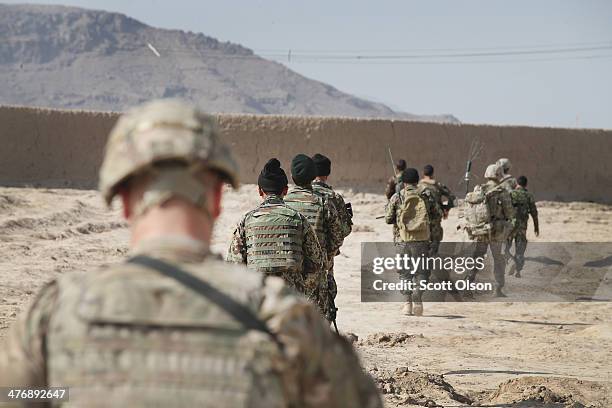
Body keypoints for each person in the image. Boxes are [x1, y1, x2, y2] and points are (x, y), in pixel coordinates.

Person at [0, 99, 382, 408]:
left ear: (122, 199)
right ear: (216, 198)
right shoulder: (284, 319)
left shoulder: (52, 316)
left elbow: (17, 395)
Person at [227, 158, 324, 296]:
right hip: (291, 298)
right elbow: (316, 263)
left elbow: (234, 265)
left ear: (260, 191)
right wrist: (302, 289)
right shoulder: (299, 219)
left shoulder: (247, 221)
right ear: (285, 190)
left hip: (257, 297)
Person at [284, 154, 344, 320]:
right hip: (318, 268)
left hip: (290, 266)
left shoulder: (284, 202)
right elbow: (338, 236)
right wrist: (326, 254)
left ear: (292, 176)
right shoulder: (323, 202)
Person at [311, 153, 353, 320]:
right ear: (327, 174)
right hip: (325, 258)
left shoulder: (299, 195)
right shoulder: (334, 198)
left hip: (299, 256)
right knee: (325, 295)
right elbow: (343, 230)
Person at [463, 164, 516, 297]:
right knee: (498, 259)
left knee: (477, 258)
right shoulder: (502, 192)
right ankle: (498, 289)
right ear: (499, 175)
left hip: (481, 231)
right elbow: (510, 213)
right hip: (496, 232)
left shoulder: (479, 190)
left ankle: (467, 286)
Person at [385, 168, 431, 316]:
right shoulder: (425, 195)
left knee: (405, 273)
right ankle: (418, 296)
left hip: (402, 240)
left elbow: (388, 218)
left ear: (404, 182)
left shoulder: (397, 196)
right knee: (422, 271)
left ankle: (407, 303)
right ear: (417, 181)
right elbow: (435, 214)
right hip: (422, 239)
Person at [417, 164, 456, 256]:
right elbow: (453, 198)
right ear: (432, 173)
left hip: (421, 220)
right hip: (435, 219)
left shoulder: (418, 187)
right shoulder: (438, 185)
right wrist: (446, 209)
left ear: (423, 173)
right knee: (435, 242)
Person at [507, 175, 539, 277]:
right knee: (520, 250)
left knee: (505, 248)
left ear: (517, 183)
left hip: (510, 226)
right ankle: (518, 271)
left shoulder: (510, 194)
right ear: (526, 184)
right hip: (522, 226)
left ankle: (509, 263)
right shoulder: (528, 195)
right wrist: (536, 227)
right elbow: (534, 212)